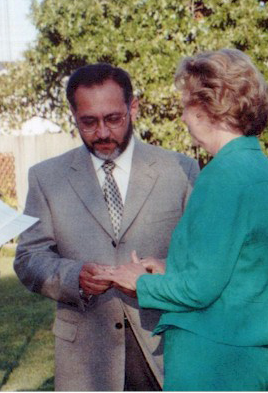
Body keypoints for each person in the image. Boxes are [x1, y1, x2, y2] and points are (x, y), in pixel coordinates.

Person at [95, 49, 268, 391]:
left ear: (205, 109)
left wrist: (137, 281)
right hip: (245, 353)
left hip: (213, 359)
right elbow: (237, 264)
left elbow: (199, 290)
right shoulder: (258, 168)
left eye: (186, 105)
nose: (183, 117)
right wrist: (169, 266)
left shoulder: (223, 175)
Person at [14, 63, 200, 391]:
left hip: (164, 347)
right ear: (73, 114)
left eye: (113, 118)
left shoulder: (180, 170)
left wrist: (162, 272)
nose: (102, 133)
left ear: (133, 107)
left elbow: (204, 257)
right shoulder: (46, 177)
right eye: (88, 122)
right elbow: (29, 257)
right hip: (85, 359)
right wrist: (74, 278)